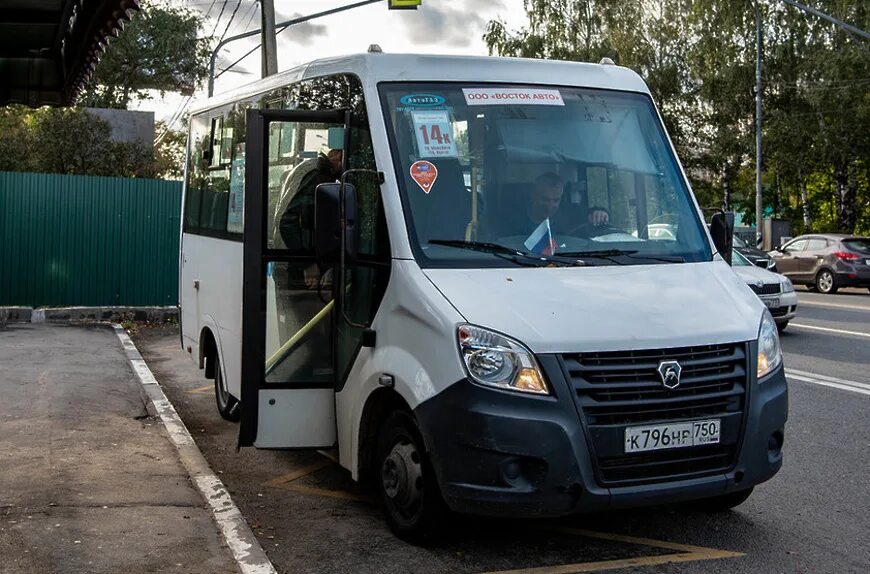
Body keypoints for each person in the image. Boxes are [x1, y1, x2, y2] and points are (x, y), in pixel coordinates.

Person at [508, 172, 610, 238]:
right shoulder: (513, 220)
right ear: (533, 195)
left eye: (556, 201)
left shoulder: (570, 212)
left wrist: (600, 213)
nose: (550, 206)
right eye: (545, 200)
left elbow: (591, 214)